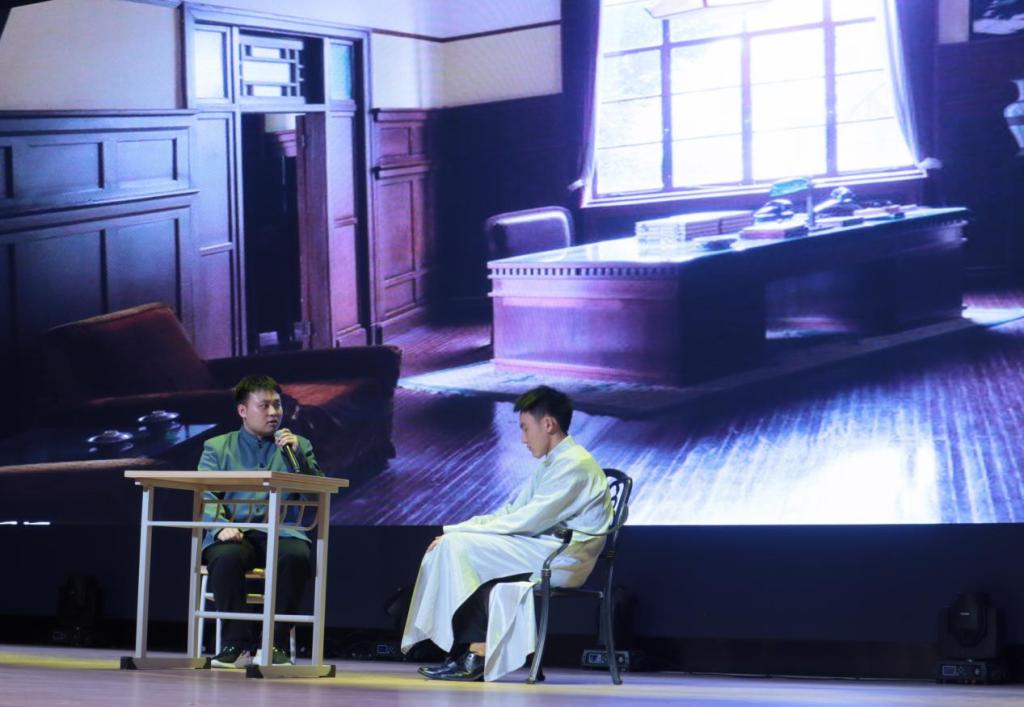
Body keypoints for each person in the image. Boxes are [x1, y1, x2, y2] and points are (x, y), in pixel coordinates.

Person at [402, 385, 613, 682]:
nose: (523, 439)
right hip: (544, 547)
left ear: (548, 424)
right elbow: (512, 511)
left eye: (525, 428)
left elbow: (527, 520)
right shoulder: (555, 463)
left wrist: (458, 532)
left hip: (562, 557)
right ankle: (469, 651)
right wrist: (460, 529)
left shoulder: (575, 464)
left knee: (457, 547)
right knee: (455, 547)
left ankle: (475, 653)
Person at [199, 374, 323, 668]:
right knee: (225, 558)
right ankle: (235, 644)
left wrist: (298, 458)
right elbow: (204, 493)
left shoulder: (299, 445)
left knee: (295, 557)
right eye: (264, 406)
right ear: (243, 410)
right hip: (235, 532)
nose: (273, 413)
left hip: (283, 532)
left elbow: (318, 493)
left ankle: (275, 644)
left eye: (277, 405)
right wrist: (220, 526)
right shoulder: (217, 447)